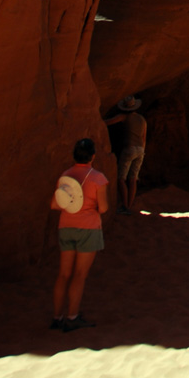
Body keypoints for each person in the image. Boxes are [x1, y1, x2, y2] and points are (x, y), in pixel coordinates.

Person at [50, 137, 109, 332]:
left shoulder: (65, 176)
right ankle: (72, 316)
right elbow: (103, 208)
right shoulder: (98, 178)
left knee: (64, 274)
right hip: (88, 229)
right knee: (79, 274)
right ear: (93, 156)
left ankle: (57, 317)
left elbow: (55, 204)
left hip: (66, 226)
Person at [105, 95, 147, 214]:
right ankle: (129, 205)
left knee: (121, 178)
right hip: (140, 150)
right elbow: (144, 138)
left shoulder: (123, 116)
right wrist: (143, 151)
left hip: (129, 149)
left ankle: (125, 206)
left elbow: (108, 122)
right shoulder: (142, 119)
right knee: (133, 178)